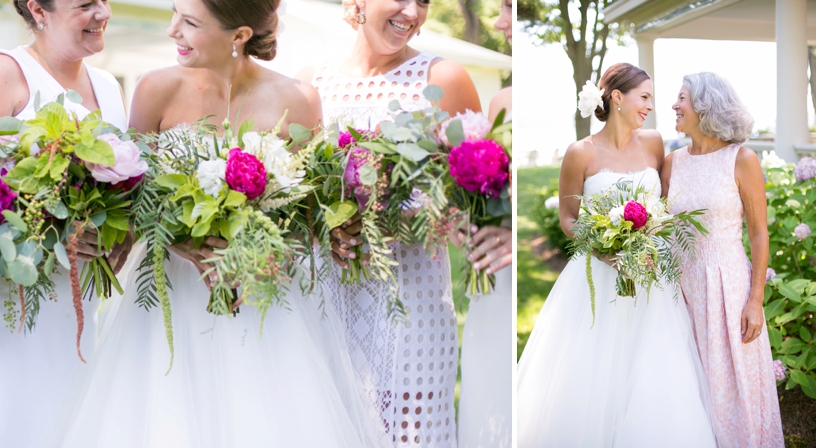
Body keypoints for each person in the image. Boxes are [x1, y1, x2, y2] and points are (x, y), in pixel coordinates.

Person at [50, 0, 390, 446]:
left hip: (265, 296)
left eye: (189, 22)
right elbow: (132, 201)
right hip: (169, 301)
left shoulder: (299, 100)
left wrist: (330, 229)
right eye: (175, 14)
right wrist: (179, 243)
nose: (173, 30)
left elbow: (309, 210)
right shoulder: (156, 90)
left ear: (239, 35)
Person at [0, 0, 127, 447]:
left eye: (104, 0)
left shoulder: (109, 86)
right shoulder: (0, 75)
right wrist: (44, 229)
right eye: (85, 4)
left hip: (75, 304)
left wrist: (113, 232)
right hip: (2, 303)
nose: (103, 12)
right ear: (38, 10)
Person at [295, 0, 481, 443]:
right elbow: (290, 196)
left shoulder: (444, 79)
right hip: (327, 300)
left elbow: (478, 192)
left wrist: (412, 215)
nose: (412, 12)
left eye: (424, 1)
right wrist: (327, 225)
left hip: (412, 303)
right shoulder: (307, 84)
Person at [516, 63, 715, 447]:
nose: (650, 107)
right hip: (597, 275)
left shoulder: (655, 143)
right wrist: (604, 247)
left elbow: (666, 201)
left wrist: (648, 241)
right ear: (618, 98)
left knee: (653, 368)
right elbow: (568, 218)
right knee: (593, 370)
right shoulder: (580, 153)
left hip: (651, 276)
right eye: (644, 98)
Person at [664, 72, 783, 447]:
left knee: (735, 384)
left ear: (704, 105)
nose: (674, 105)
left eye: (681, 98)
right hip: (680, 288)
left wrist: (755, 298)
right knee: (688, 383)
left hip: (728, 286)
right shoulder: (671, 164)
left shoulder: (741, 159)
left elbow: (759, 232)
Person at [455, 0, 513, 445]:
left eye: (510, 7)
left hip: (507, 265)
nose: (499, 22)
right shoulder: (500, 103)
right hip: (492, 275)